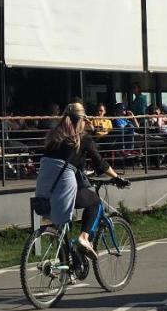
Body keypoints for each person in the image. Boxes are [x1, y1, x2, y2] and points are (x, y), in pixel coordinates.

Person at [33, 102, 128, 258]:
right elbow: (101, 163)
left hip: (44, 187)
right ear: (82, 119)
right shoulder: (82, 139)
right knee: (95, 202)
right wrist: (117, 178)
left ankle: (67, 269)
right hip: (63, 186)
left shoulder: (53, 137)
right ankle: (84, 237)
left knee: (62, 227)